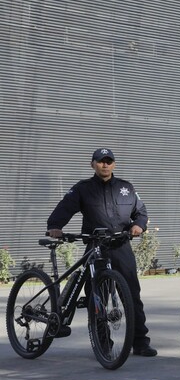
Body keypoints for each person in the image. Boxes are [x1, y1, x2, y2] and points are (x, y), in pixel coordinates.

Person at [46, 148, 157, 357]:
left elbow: (140, 211)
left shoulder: (126, 188)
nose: (105, 165)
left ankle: (140, 342)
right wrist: (55, 226)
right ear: (93, 164)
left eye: (109, 161)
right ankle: (102, 343)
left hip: (121, 245)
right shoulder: (83, 189)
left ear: (114, 164)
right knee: (97, 298)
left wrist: (138, 225)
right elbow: (65, 207)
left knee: (132, 295)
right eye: (100, 161)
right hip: (96, 246)